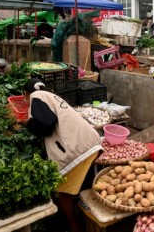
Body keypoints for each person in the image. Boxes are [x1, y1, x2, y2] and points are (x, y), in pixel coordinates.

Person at [20, 78, 103, 232]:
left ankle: (74, 227)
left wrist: (27, 124)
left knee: (62, 193)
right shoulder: (52, 96)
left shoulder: (36, 96)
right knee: (80, 187)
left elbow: (46, 125)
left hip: (77, 149)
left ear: (26, 93)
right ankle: (84, 217)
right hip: (92, 142)